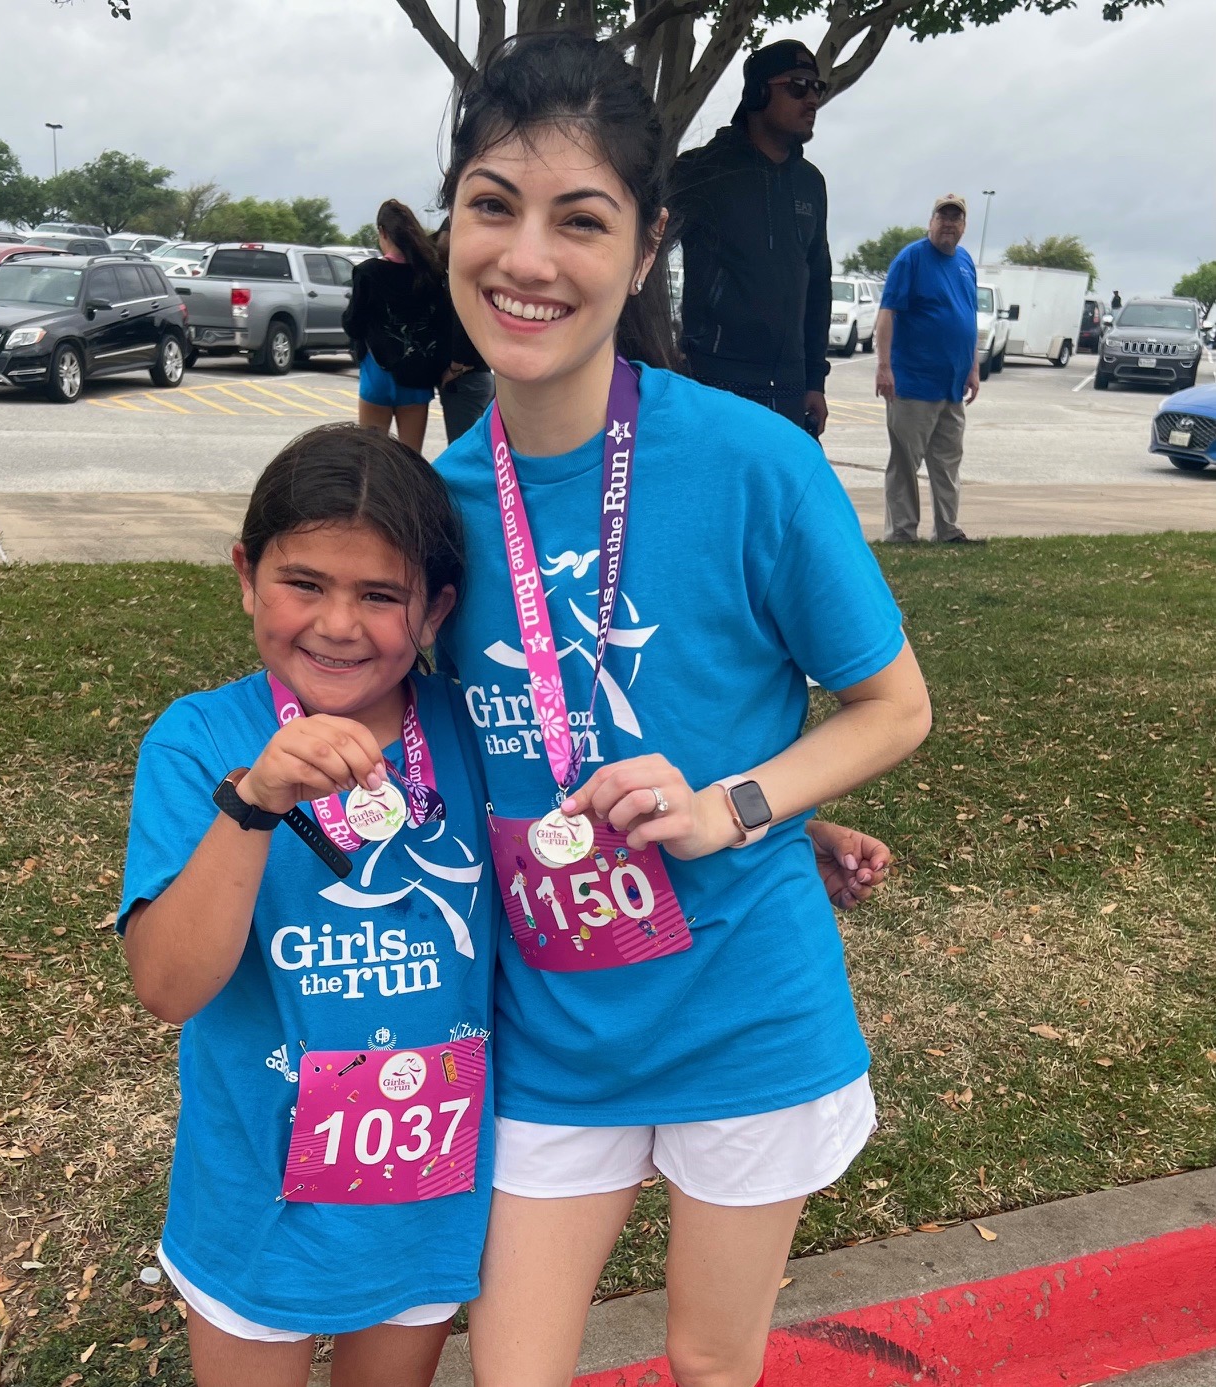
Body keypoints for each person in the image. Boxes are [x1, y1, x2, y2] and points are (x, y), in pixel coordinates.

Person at [432, 31, 932, 1387]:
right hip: (548, 1026)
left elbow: (891, 706)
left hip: (742, 1006)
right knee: (511, 1371)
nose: (526, 257)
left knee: (713, 1364)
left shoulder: (751, 463)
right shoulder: (436, 505)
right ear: (451, 221)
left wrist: (742, 808)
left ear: (646, 244)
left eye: (579, 219)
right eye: (492, 205)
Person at [117, 425, 497, 1387]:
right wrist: (252, 804)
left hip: (428, 1179)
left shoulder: (473, 730)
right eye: (304, 583)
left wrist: (789, 831)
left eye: (380, 594)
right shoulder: (199, 740)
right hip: (256, 1192)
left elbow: (577, 828)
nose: (337, 623)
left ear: (435, 608)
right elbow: (167, 985)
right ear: (247, 576)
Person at [669, 38, 833, 436]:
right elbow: (639, 254)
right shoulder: (701, 172)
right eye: (798, 86)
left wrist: (814, 381)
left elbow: (818, 283)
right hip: (715, 384)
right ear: (758, 92)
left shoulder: (811, 183)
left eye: (817, 88)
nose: (812, 99)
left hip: (791, 389)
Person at [875, 195, 983, 545]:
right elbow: (887, 314)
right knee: (906, 463)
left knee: (948, 461)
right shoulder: (911, 259)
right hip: (913, 383)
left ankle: (948, 530)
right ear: (931, 222)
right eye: (943, 216)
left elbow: (968, 317)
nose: (949, 223)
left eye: (956, 218)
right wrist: (884, 367)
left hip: (952, 386)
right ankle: (902, 533)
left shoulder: (965, 262)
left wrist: (973, 368)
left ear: (964, 226)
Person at [342, 200, 451, 452]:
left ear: (382, 232)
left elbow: (354, 324)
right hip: (417, 376)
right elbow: (444, 324)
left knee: (372, 455)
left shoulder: (367, 272)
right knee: (410, 456)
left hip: (378, 373)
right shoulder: (430, 273)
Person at [435, 217, 497, 443]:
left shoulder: (457, 287)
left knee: (464, 446)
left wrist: (455, 367)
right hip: (484, 375)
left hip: (465, 379)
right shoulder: (484, 285)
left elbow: (460, 327)